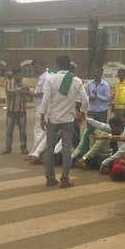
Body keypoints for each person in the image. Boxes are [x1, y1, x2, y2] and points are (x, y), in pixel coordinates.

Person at [40, 55, 88, 188]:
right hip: (68, 119)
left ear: (57, 64)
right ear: (69, 65)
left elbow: (45, 100)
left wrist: (42, 116)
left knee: (49, 148)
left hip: (53, 118)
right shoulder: (76, 80)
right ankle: (65, 179)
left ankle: (50, 179)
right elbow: (85, 100)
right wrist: (82, 114)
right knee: (67, 148)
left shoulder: (51, 79)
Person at [1, 69, 30, 155]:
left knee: (23, 131)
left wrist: (25, 93)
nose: (19, 77)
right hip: (11, 110)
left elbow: (29, 95)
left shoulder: (25, 84)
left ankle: (23, 147)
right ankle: (8, 147)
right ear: (14, 75)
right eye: (18, 75)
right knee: (9, 130)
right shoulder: (8, 83)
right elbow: (8, 92)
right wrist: (18, 89)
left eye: (20, 75)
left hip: (22, 111)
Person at [27, 60, 49, 162]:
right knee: (39, 132)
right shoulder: (41, 78)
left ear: (43, 67)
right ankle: (35, 153)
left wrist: (31, 94)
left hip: (42, 107)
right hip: (39, 106)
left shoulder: (46, 77)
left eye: (37, 67)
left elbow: (44, 94)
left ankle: (36, 154)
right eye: (34, 68)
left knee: (39, 131)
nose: (35, 70)